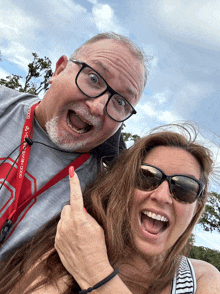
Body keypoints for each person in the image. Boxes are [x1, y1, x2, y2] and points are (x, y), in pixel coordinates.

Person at [1, 125, 219, 294]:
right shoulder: (73, 246)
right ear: (125, 187)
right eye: (146, 176)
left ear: (196, 209)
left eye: (184, 188)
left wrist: (97, 274)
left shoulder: (200, 280)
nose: (162, 196)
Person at [0, 32, 147, 258]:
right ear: (59, 70)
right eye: (94, 78)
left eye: (120, 102)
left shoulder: (102, 196)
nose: (99, 107)